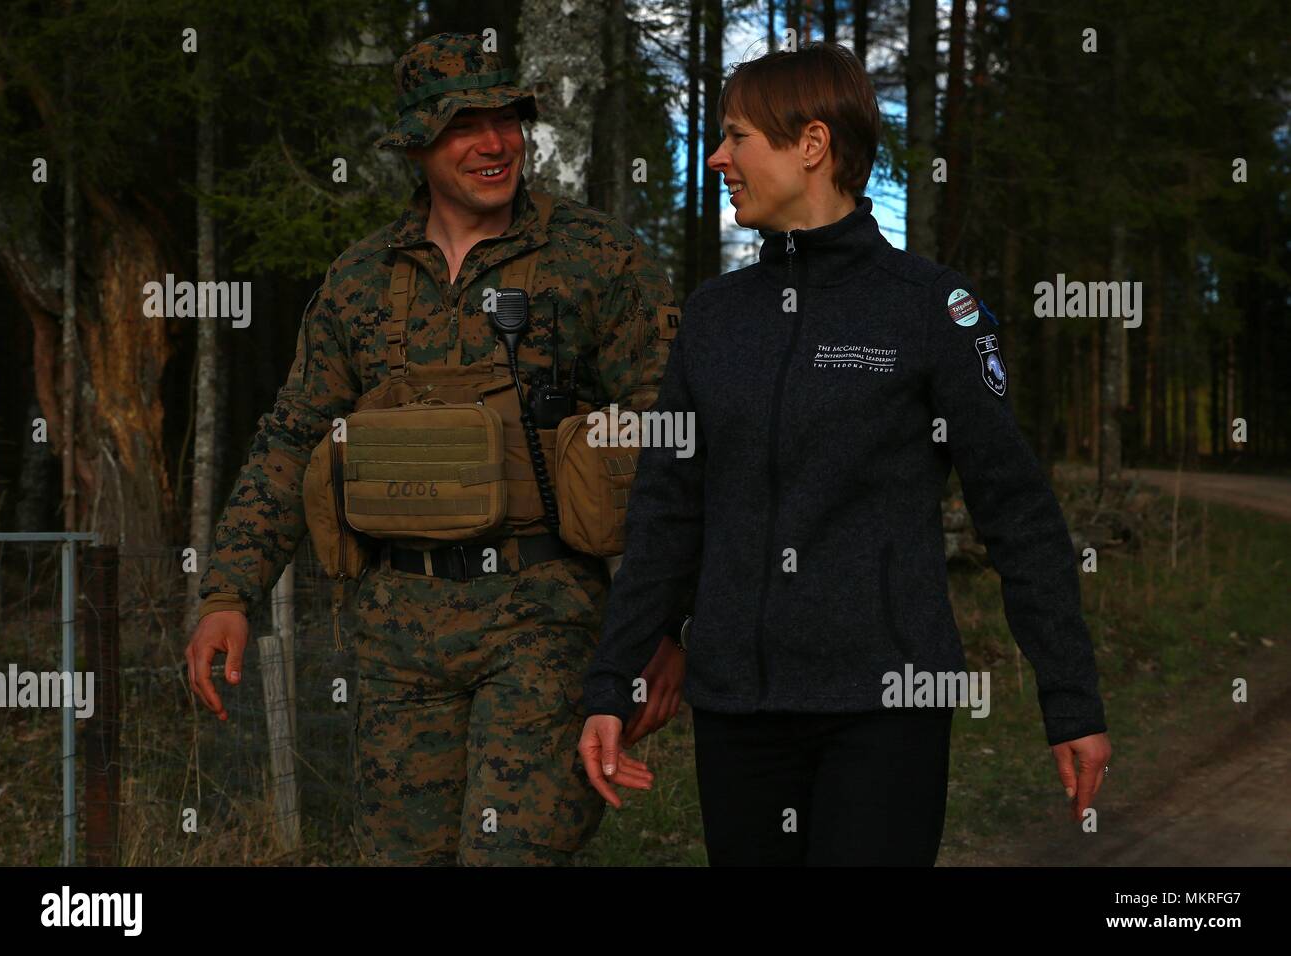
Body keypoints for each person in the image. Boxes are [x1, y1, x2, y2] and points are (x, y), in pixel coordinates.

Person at [578, 42, 1113, 866]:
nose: (717, 157)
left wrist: (1070, 699)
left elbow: (1017, 511)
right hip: (740, 718)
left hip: (883, 711)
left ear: (813, 146)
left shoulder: (931, 308)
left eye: (735, 137)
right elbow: (665, 512)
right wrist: (612, 682)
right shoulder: (715, 320)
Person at [184, 32, 685, 866]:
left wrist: (666, 622)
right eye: (464, 126)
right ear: (415, 143)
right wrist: (229, 592)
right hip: (396, 635)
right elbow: (292, 436)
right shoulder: (359, 280)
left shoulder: (596, 260)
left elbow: (675, 439)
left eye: (508, 120)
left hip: (545, 617)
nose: (495, 144)